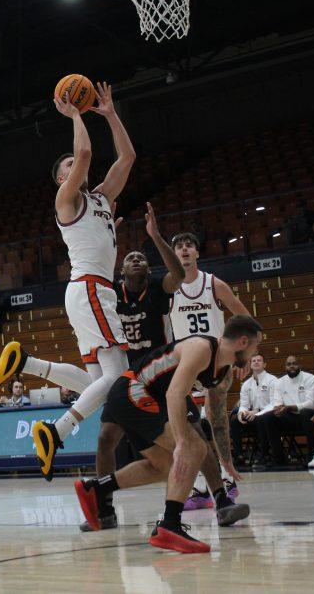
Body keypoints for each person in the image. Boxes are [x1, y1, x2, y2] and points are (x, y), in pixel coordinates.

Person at [0, 81, 136, 480]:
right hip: (90, 288)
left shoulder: (103, 198)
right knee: (118, 376)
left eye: (74, 164)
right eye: (67, 166)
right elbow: (87, 152)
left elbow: (127, 158)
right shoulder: (66, 202)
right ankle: (58, 431)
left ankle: (27, 362)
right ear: (60, 181)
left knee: (99, 380)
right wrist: (75, 114)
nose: (76, 165)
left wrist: (109, 114)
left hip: (91, 291)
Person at [75, 316, 261, 553]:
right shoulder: (201, 348)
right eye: (256, 345)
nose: (257, 351)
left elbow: (217, 418)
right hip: (134, 390)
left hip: (143, 397)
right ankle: (169, 526)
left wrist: (227, 461)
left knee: (165, 466)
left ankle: (96, 488)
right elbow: (175, 394)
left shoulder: (224, 370)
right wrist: (182, 441)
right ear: (243, 342)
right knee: (193, 449)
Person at [80, 202, 185, 530]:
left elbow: (179, 275)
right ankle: (104, 508)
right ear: (121, 271)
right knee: (105, 438)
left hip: (160, 379)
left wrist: (155, 238)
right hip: (126, 380)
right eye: (130, 258)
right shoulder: (110, 294)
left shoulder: (156, 289)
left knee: (188, 443)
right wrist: (104, 233)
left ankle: (215, 497)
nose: (136, 258)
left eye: (141, 257)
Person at [167, 231, 250, 510]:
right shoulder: (169, 287)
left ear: (197, 253)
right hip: (186, 364)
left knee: (216, 417)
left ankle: (228, 478)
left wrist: (246, 354)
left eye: (189, 245)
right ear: (174, 254)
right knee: (189, 426)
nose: (184, 250)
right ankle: (201, 487)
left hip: (217, 361)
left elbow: (245, 319)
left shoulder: (214, 284)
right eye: (179, 246)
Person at [261, 355, 314, 466]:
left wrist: (289, 407)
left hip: (306, 416)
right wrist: (279, 409)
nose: (292, 366)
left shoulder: (310, 378)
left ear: (300, 365)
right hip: (289, 416)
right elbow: (277, 402)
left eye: (294, 363)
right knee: (268, 417)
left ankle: (311, 456)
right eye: (289, 364)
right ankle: (279, 458)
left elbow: (311, 404)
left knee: (306, 412)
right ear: (285, 366)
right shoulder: (280, 382)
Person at [229, 354, 277, 465]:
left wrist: (258, 411)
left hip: (269, 417)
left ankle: (264, 454)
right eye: (253, 361)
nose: (256, 362)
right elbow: (244, 404)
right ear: (250, 365)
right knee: (234, 420)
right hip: (253, 416)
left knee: (261, 418)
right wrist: (241, 413)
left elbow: (275, 403)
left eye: (259, 360)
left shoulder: (272, 380)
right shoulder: (246, 384)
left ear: (264, 364)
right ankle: (239, 456)